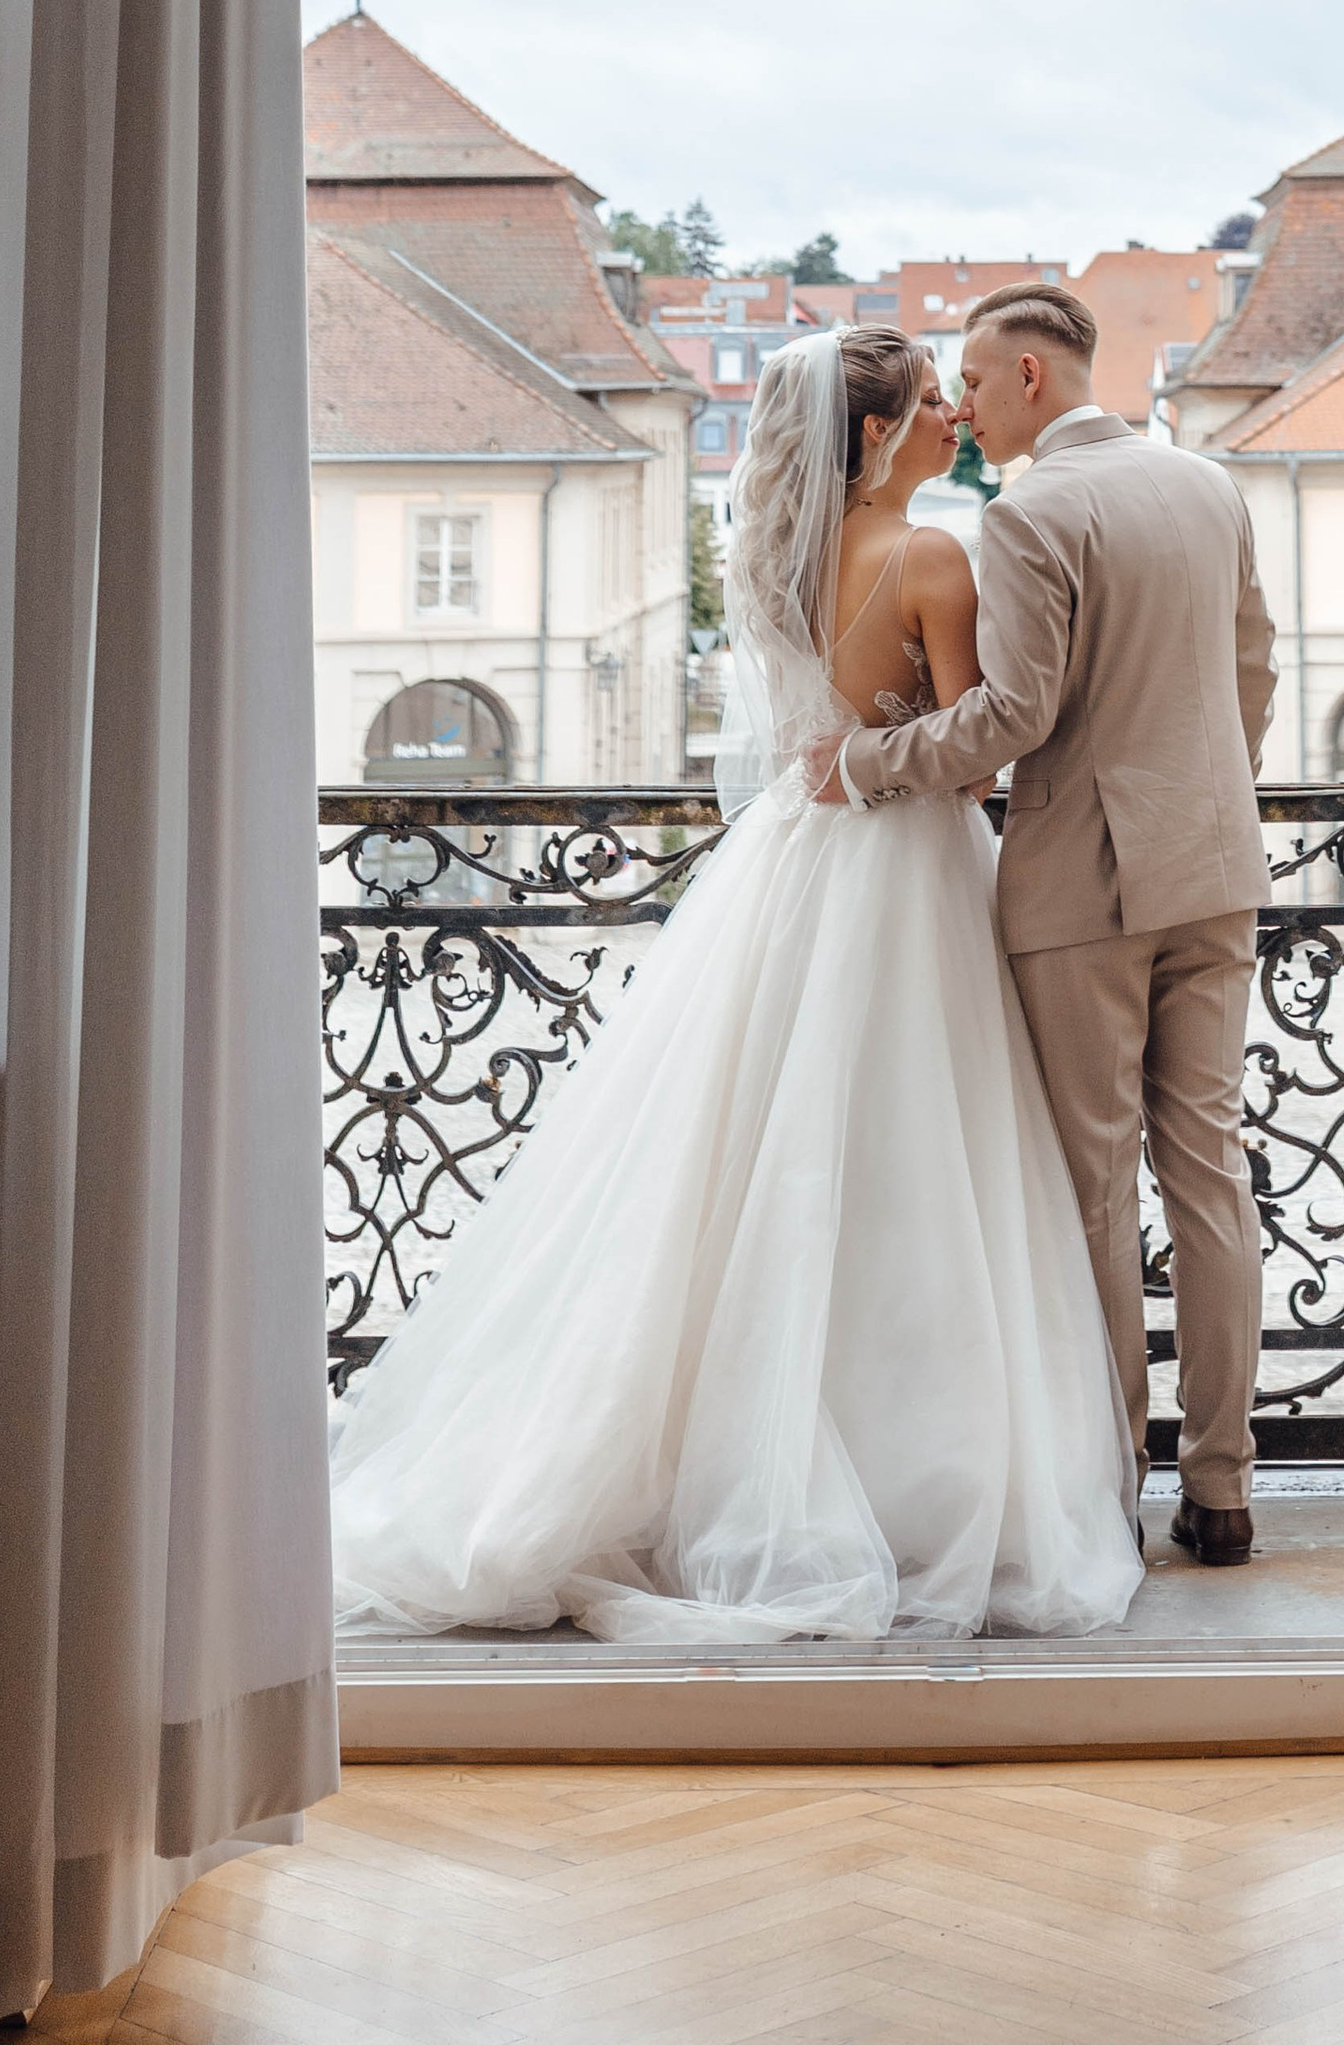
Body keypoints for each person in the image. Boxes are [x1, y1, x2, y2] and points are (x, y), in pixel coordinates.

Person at [329, 325, 1143, 1645]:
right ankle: (912, 1478)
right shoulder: (933, 556)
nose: (951, 419)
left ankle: (716, 1448)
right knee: (916, 1158)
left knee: (743, 1155)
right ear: (876, 437)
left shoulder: (778, 562)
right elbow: (974, 756)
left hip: (785, 860)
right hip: (903, 873)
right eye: (932, 404)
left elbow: (810, 729)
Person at [818, 285, 1277, 1565]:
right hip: (1216, 865)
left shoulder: (1030, 516)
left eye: (969, 378)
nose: (956, 405)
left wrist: (866, 764)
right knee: (1210, 1170)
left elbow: (1011, 720)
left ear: (1029, 375)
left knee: (1090, 1188)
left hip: (1085, 883)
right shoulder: (1205, 485)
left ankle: (1108, 1485)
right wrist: (1205, 804)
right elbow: (1255, 674)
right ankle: (1225, 1486)